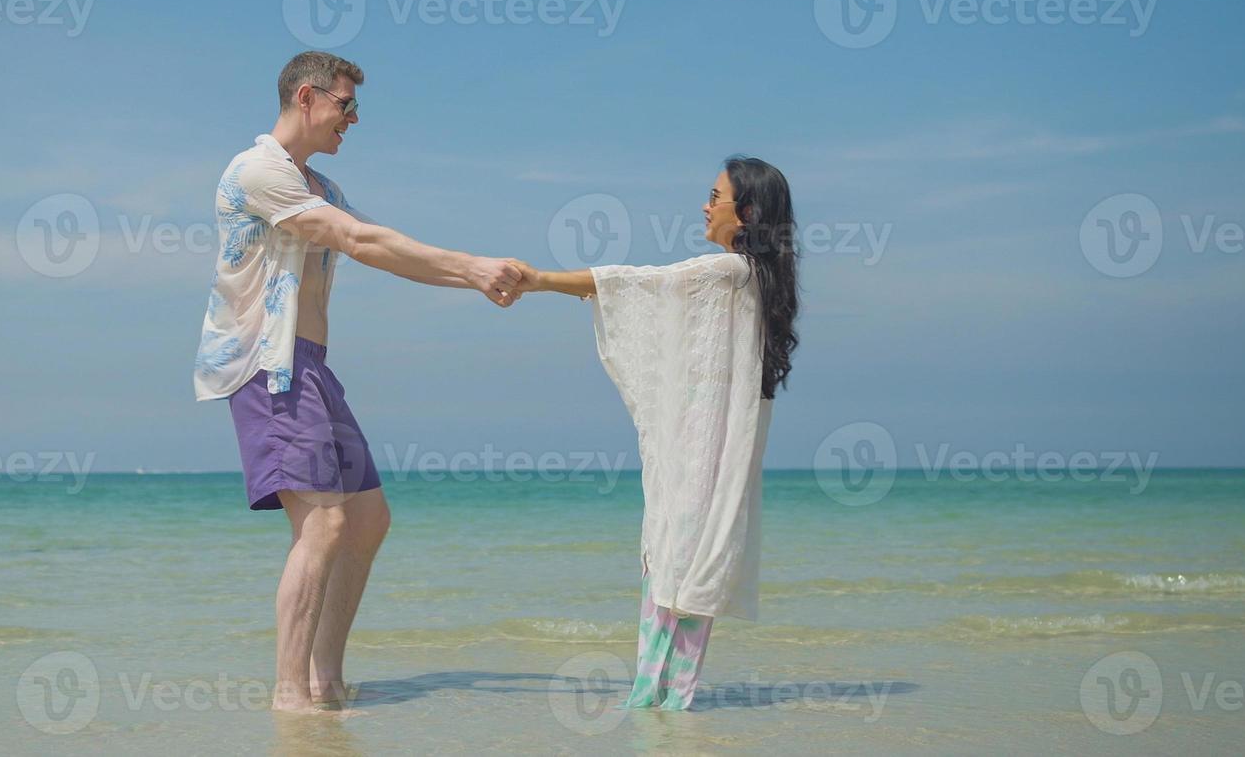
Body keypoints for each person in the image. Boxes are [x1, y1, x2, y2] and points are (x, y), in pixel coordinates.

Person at [194, 51, 525, 713]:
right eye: (348, 106)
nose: (353, 119)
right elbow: (357, 239)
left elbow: (379, 246)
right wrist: (470, 266)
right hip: (268, 362)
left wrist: (471, 276)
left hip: (310, 363)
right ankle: (293, 697)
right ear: (309, 97)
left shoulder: (322, 188)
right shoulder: (257, 170)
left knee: (368, 518)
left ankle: (326, 681)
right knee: (324, 521)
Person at [514, 157, 800, 710]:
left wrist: (540, 280)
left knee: (676, 556)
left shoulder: (728, 274)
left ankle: (657, 701)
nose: (703, 205)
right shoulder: (757, 280)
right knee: (689, 558)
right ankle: (668, 704)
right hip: (717, 451)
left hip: (700, 452)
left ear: (744, 212)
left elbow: (638, 284)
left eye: (713, 196)